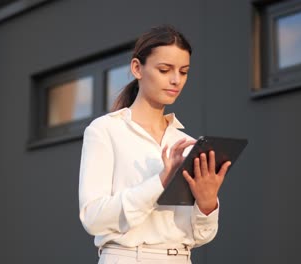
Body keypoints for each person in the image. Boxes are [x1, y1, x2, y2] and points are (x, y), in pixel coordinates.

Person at [78, 25, 232, 264]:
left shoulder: (185, 144)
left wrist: (207, 202)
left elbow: (202, 235)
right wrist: (160, 181)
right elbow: (93, 218)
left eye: (184, 72)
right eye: (164, 69)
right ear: (137, 68)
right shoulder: (105, 130)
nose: (175, 80)